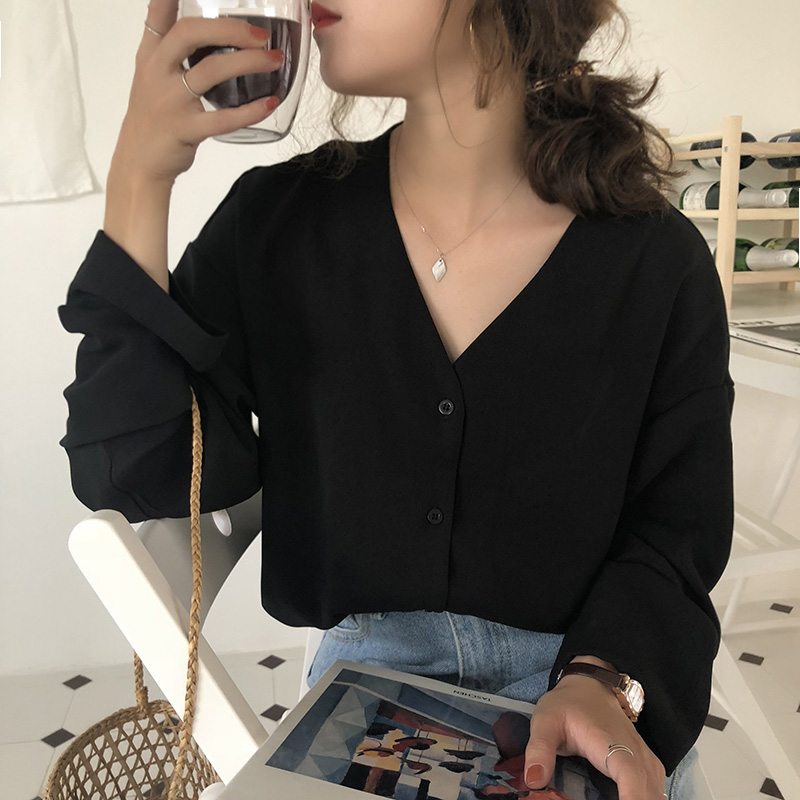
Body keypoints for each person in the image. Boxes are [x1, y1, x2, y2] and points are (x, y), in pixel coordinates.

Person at [58, 1, 734, 799]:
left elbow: (676, 532)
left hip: (588, 691)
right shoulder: (276, 226)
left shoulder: (657, 263)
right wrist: (140, 178)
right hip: (352, 714)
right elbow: (134, 470)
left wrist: (604, 680)